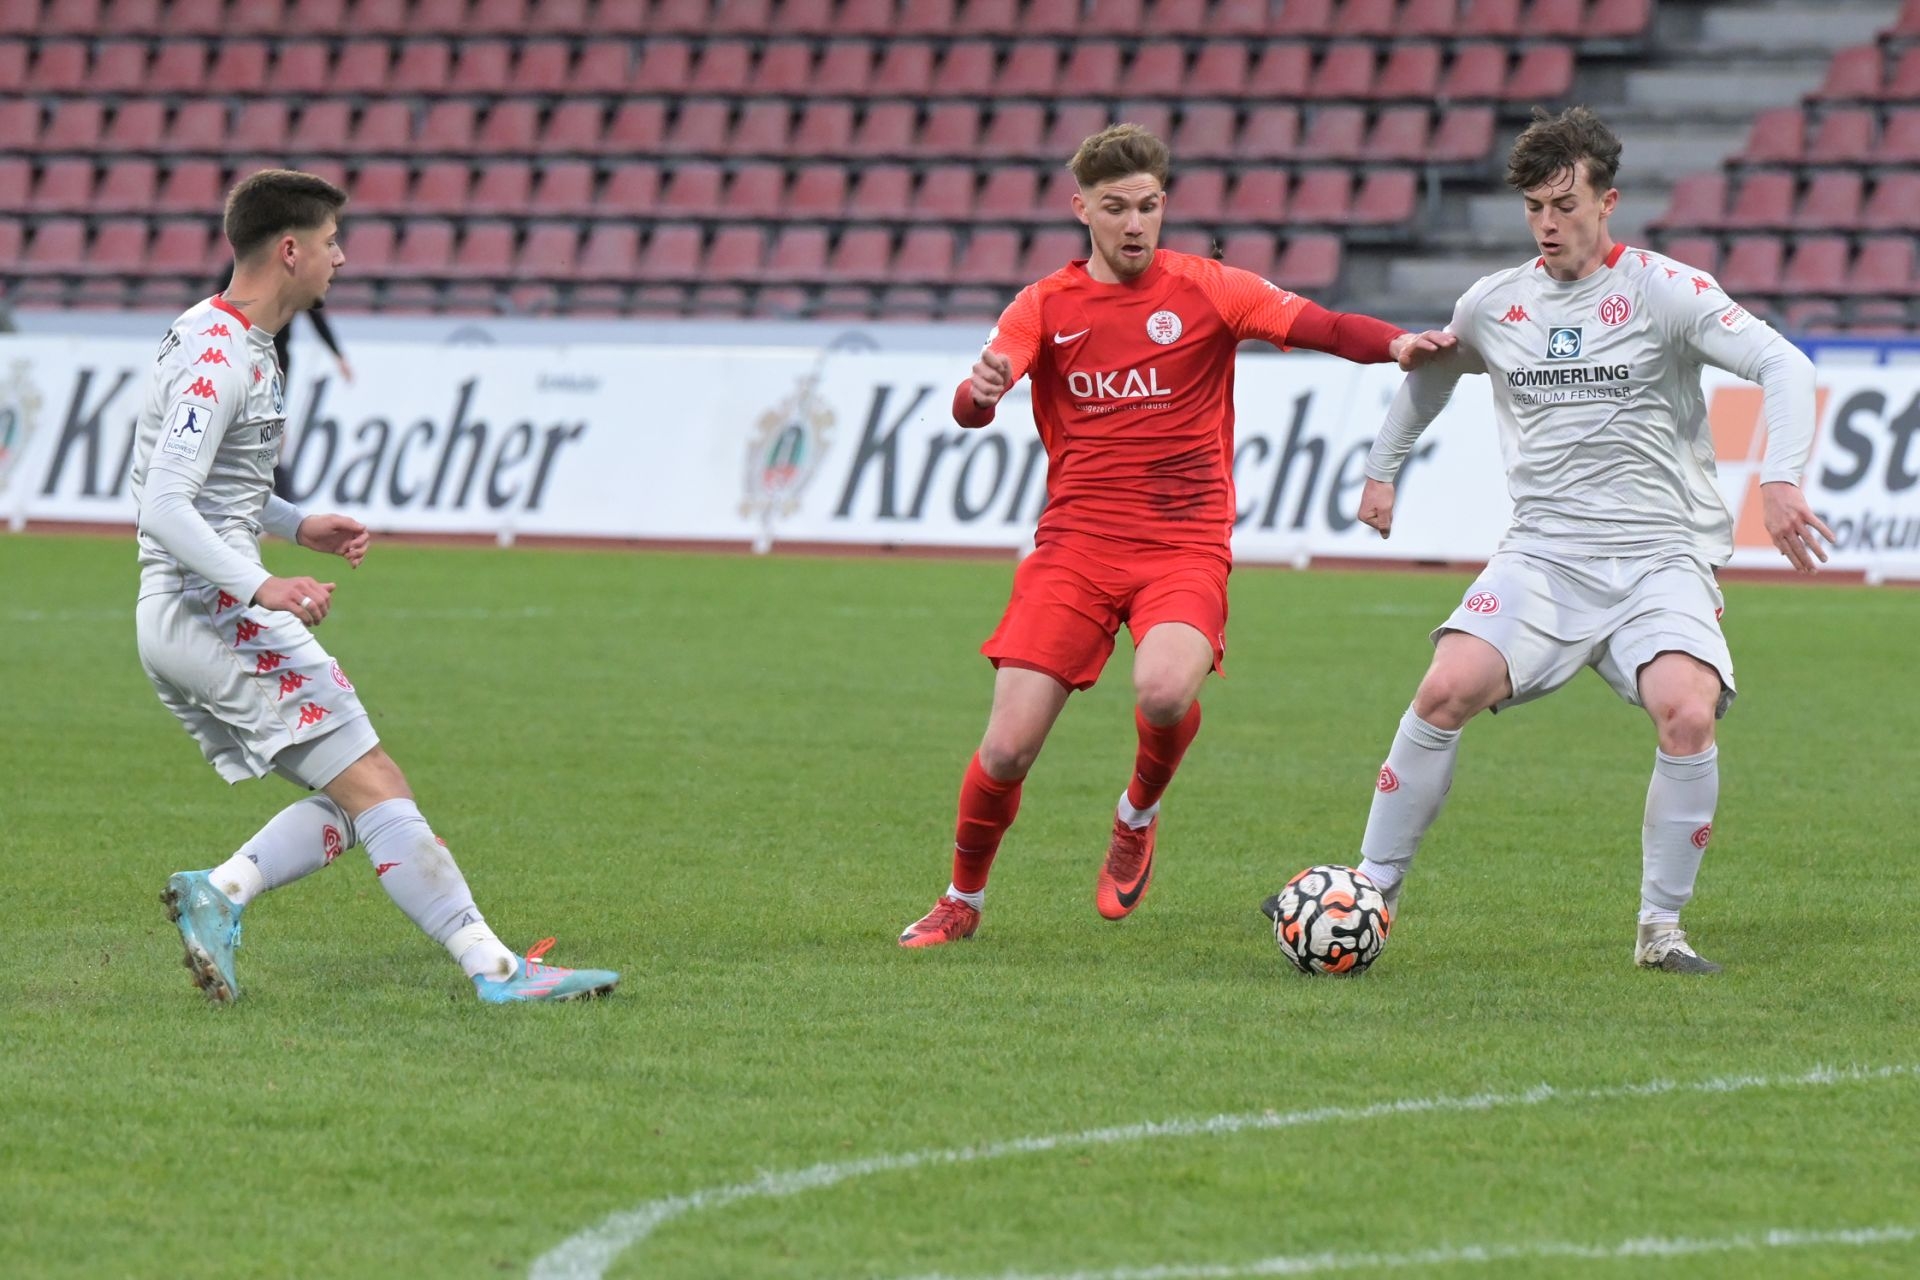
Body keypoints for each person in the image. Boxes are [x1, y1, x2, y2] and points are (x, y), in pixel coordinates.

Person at [898, 125, 1455, 947]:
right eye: (1116, 207)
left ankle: (1137, 814)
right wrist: (979, 394)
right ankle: (962, 899)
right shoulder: (1044, 304)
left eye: (1149, 207)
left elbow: (1323, 326)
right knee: (1008, 748)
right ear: (1080, 207)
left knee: (1163, 690)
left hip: (1182, 544)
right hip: (1075, 545)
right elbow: (977, 397)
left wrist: (1397, 344)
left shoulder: (1209, 288)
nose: (1134, 224)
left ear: (1165, 207)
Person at [1333, 106, 1831, 973]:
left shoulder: (1664, 288)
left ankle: (1660, 931)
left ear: (1609, 201)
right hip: (1544, 555)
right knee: (1446, 686)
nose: (1549, 224)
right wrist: (1384, 470)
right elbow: (1430, 376)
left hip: (1658, 557)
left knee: (1687, 713)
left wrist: (1779, 480)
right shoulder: (1496, 303)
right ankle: (1369, 894)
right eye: (1535, 208)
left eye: (1565, 204)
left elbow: (1785, 365)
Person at [133, 169, 617, 1004]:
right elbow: (164, 505)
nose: (341, 259)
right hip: (211, 615)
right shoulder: (218, 359)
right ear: (290, 250)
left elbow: (212, 489)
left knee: (362, 795)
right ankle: (496, 970)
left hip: (195, 614)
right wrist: (263, 585)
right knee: (378, 786)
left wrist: (293, 522)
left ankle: (223, 891)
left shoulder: (227, 338)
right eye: (329, 243)